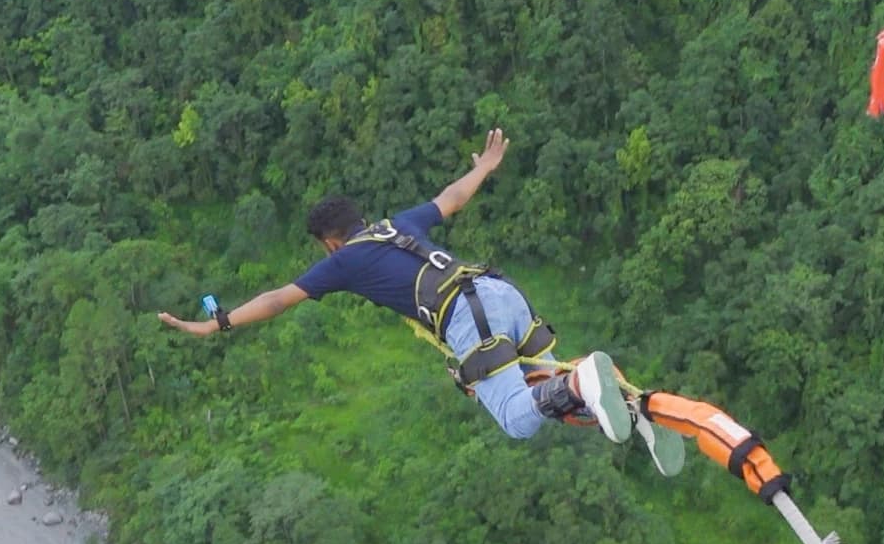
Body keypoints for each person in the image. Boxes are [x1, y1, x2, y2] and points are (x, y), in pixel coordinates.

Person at [159, 129, 631, 443]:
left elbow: (278, 299)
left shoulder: (346, 260)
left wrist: (215, 324)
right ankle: (627, 407)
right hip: (500, 291)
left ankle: (580, 380)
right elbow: (452, 198)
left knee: (514, 418)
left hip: (468, 317)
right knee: (541, 387)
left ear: (329, 243)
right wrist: (485, 166)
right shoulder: (396, 226)